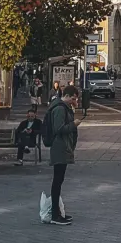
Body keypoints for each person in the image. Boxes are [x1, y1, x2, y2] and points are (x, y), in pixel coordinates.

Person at [43, 88, 78, 225]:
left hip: (63, 147)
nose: (75, 101)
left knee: (59, 180)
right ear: (67, 96)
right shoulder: (59, 109)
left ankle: (57, 211)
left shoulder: (65, 108)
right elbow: (59, 128)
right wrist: (73, 124)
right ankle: (55, 215)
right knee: (57, 180)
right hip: (60, 147)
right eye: (73, 98)